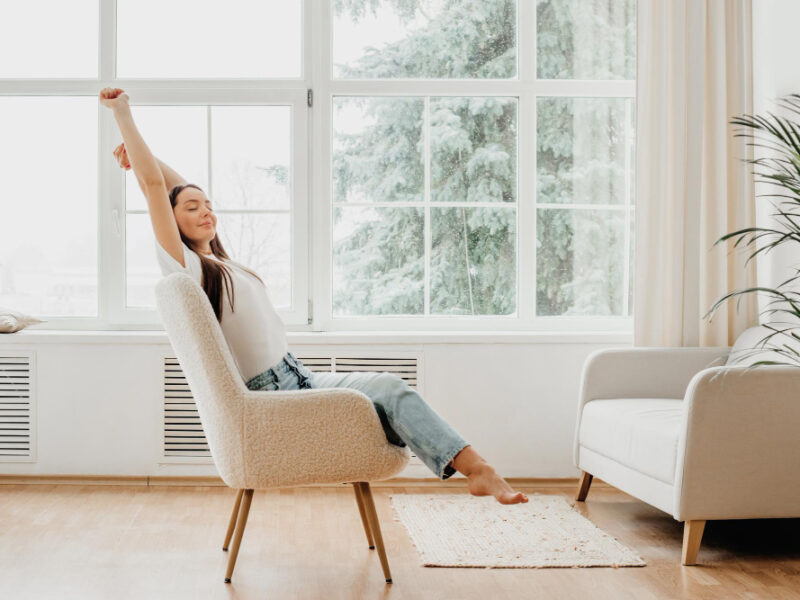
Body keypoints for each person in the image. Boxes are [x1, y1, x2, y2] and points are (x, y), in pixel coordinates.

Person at [100, 87, 528, 505]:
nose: (205, 210)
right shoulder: (188, 268)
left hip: (297, 375)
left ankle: (478, 470)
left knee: (391, 389)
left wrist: (142, 159)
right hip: (271, 394)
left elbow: (174, 186)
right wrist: (123, 116)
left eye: (208, 204)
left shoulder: (221, 262)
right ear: (172, 224)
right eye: (192, 209)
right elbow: (159, 189)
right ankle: (477, 471)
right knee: (385, 394)